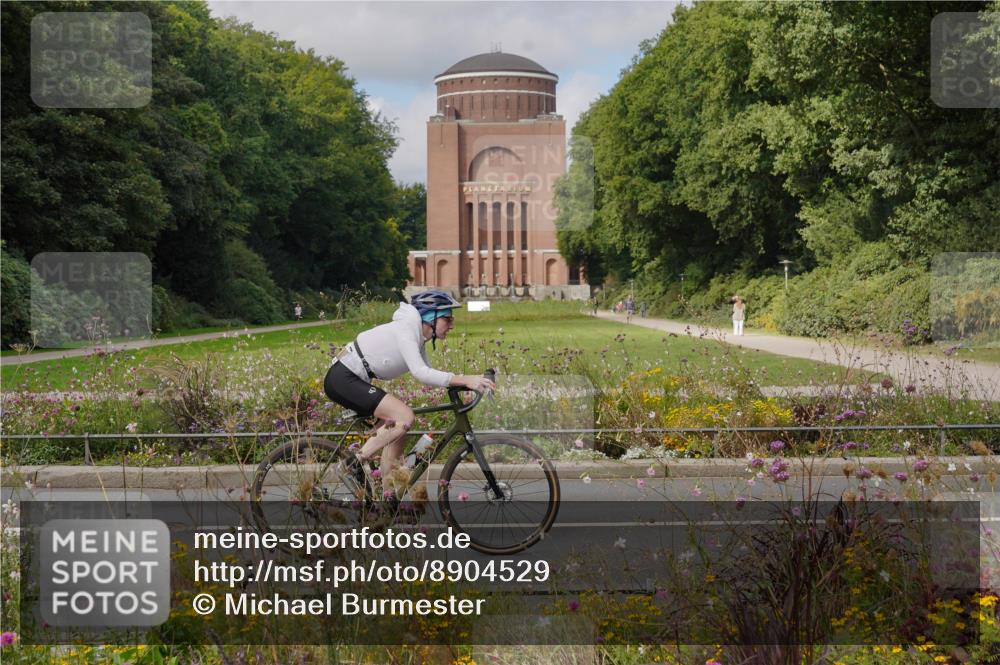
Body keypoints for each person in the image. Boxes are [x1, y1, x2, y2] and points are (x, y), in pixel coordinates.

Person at [323, 290, 495, 499]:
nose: (451, 325)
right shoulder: (407, 330)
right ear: (430, 317)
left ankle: (387, 497)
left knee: (397, 432)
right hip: (343, 378)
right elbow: (421, 373)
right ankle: (351, 464)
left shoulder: (417, 335)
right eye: (447, 319)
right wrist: (465, 379)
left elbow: (428, 374)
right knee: (404, 417)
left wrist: (465, 384)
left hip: (353, 378)